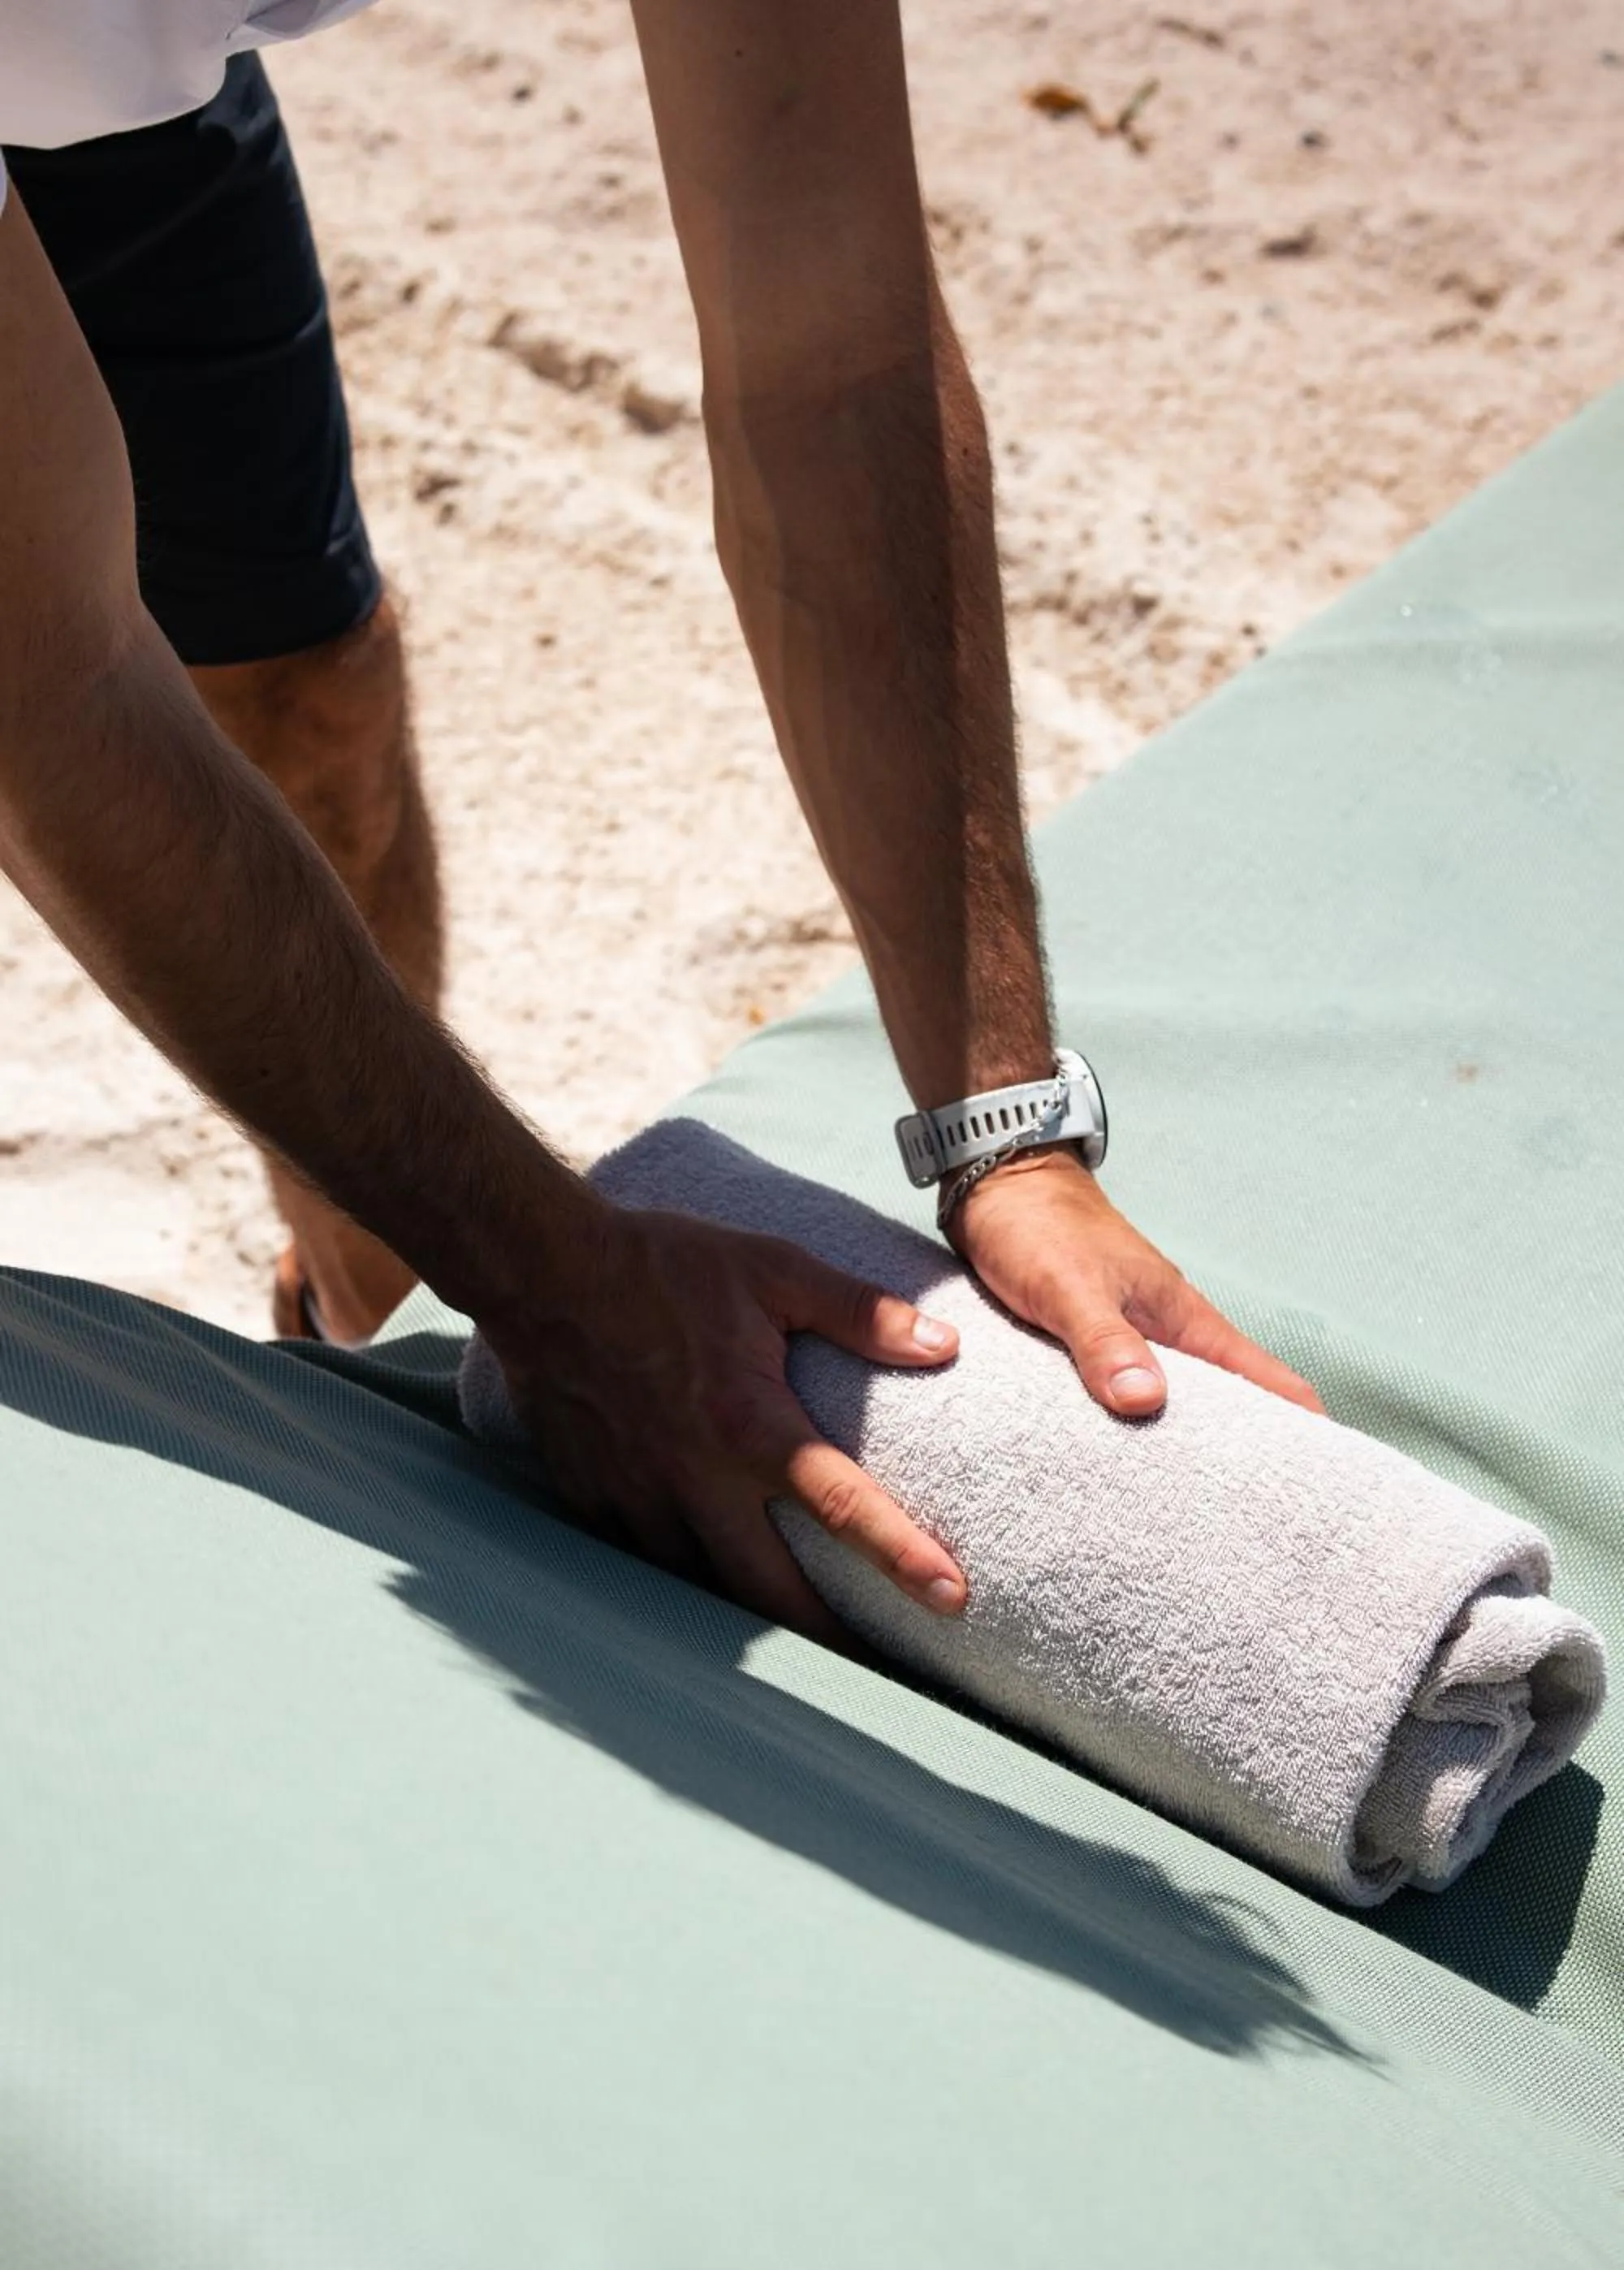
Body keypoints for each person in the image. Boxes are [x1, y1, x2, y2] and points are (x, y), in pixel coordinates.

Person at [0, 0, 1320, 1638]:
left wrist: (1005, 1133)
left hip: (97, 89)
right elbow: (52, 693)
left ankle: (360, 1304)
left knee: (305, 700)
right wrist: (557, 1284)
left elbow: (828, 356)